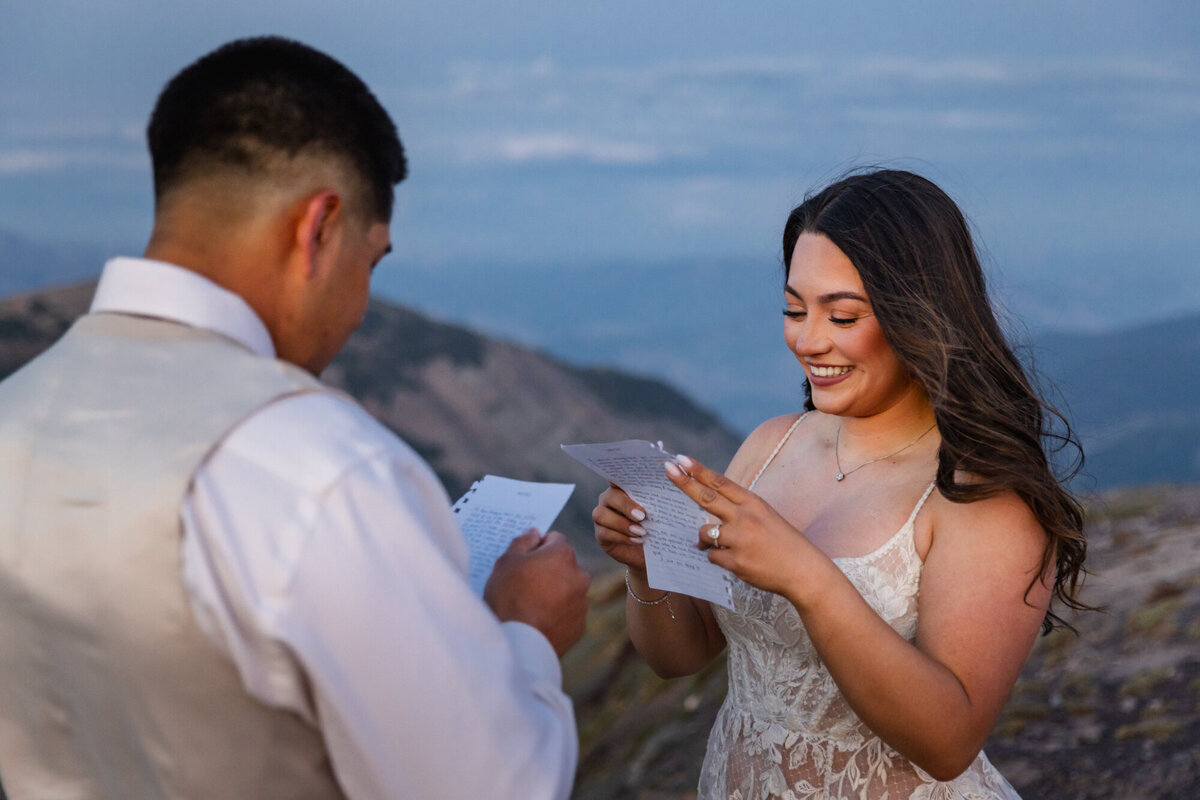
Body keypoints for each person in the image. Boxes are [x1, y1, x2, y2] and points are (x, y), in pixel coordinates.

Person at [0, 36, 590, 800]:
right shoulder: (321, 468)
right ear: (318, 227)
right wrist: (528, 638)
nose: (360, 307)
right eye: (370, 262)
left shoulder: (16, 412)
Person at [593, 169, 1088, 798]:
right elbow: (681, 656)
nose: (808, 339)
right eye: (794, 309)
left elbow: (949, 742)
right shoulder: (773, 445)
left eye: (843, 315)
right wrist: (645, 564)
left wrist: (806, 577)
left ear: (920, 316)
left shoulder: (981, 496)